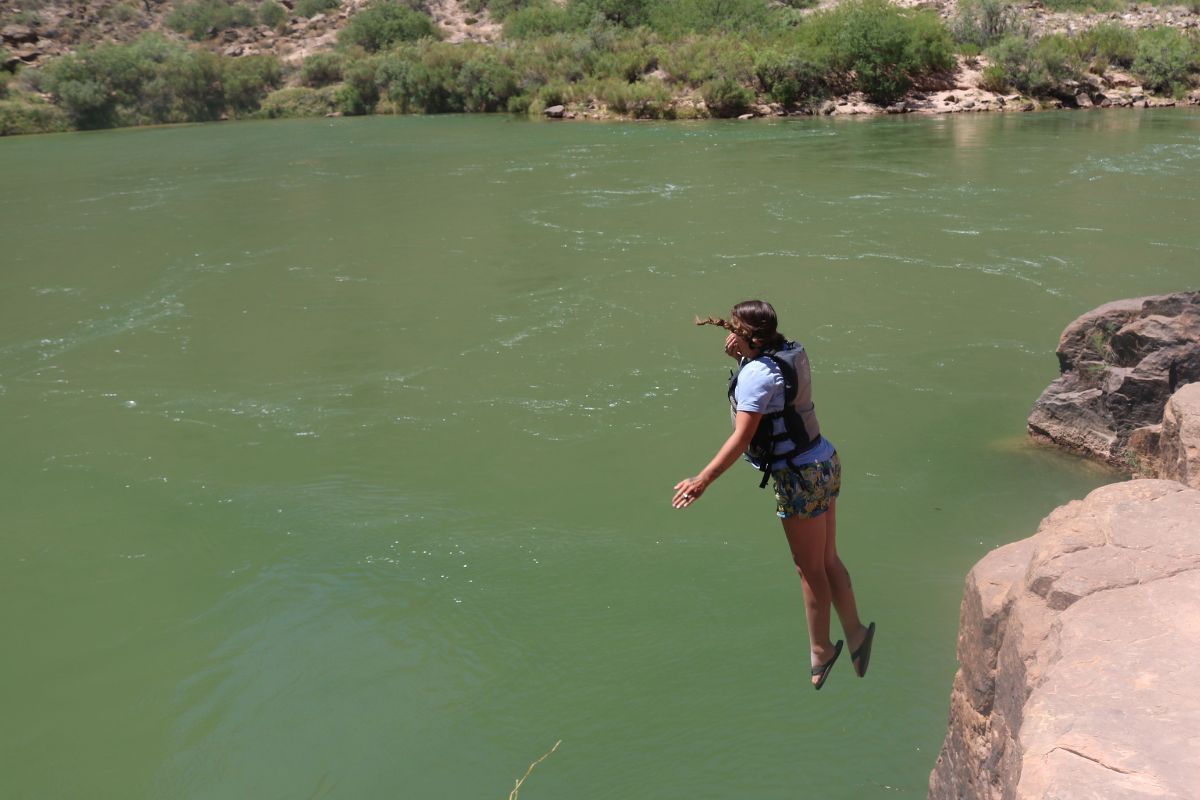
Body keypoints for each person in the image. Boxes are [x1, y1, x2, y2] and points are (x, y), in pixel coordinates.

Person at [672, 300, 875, 690]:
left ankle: (821, 650)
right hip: (824, 460)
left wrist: (703, 480)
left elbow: (742, 436)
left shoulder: (755, 377)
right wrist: (745, 359)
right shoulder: (789, 353)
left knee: (809, 569)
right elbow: (773, 394)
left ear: (744, 335)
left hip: (799, 477)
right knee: (828, 558)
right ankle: (856, 634)